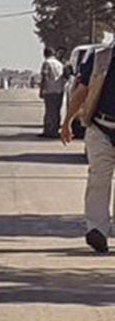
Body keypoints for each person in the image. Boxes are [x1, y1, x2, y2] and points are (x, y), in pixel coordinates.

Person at [61, 43, 115, 252]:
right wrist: (67, 122)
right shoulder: (99, 57)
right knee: (98, 181)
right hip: (101, 127)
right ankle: (97, 231)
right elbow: (82, 90)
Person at [40, 47, 66, 138]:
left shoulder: (47, 63)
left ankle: (49, 131)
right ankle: (55, 130)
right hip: (59, 90)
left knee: (50, 111)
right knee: (57, 111)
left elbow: (45, 76)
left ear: (45, 54)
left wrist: (42, 89)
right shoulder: (59, 64)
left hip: (50, 90)